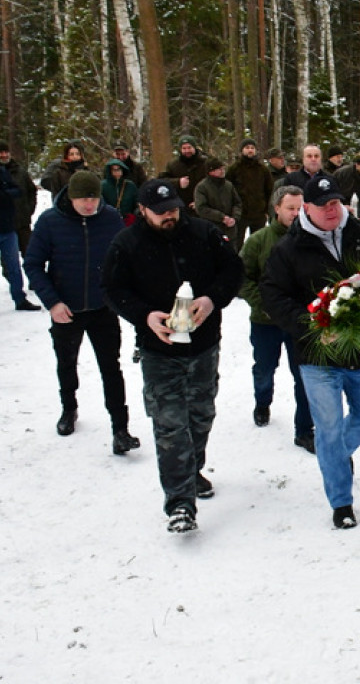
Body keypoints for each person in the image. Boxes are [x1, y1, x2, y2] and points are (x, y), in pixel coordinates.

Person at [102, 178, 244, 534]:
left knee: (200, 415)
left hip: (204, 344)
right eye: (161, 212)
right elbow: (112, 289)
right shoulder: (127, 243)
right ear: (143, 211)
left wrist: (211, 299)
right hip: (159, 349)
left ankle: (191, 470)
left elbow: (233, 271)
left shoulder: (204, 234)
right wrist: (144, 315)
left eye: (174, 210)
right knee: (169, 425)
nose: (169, 216)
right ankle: (180, 503)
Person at [261, 175, 360, 530]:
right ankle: (341, 501)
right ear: (306, 208)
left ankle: (336, 455)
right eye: (323, 205)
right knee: (329, 428)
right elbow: (273, 297)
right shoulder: (288, 249)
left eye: (335, 202)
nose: (331, 209)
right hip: (317, 357)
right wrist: (309, 325)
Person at [23, 170, 140, 452]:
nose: (89, 204)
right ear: (71, 197)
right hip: (66, 309)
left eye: (94, 198)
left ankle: (120, 429)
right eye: (83, 199)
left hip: (102, 308)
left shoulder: (110, 217)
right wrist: (52, 302)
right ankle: (69, 408)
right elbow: (33, 265)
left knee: (111, 367)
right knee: (66, 363)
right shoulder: (50, 222)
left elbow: (124, 257)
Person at [239, 185, 315, 452]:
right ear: (276, 208)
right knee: (264, 368)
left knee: (305, 376)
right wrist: (264, 304)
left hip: (301, 323)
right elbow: (241, 277)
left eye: (300, 208)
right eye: (290, 208)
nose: (296, 213)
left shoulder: (313, 239)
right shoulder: (258, 241)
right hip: (265, 321)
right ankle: (263, 402)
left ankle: (305, 430)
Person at [0, 144, 40, 317]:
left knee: (14, 266)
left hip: (8, 226)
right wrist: (4, 194)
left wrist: (5, 194)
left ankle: (20, 298)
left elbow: (18, 191)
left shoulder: (3, 172)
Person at [227, 138, 273, 250]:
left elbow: (269, 190)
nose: (250, 150)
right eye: (247, 148)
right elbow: (227, 189)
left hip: (259, 212)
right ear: (242, 150)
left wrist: (267, 210)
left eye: (252, 148)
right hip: (240, 213)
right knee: (237, 243)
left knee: (258, 244)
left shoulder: (263, 169)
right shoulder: (234, 168)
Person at [0, 141, 37, 255]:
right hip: (1, 226)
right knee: (8, 262)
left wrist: (28, 209)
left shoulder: (20, 171)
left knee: (31, 255)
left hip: (22, 223)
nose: (4, 155)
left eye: (6, 152)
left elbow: (31, 190)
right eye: (0, 152)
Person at [194, 157, 242, 241]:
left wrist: (235, 217)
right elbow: (201, 208)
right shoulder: (202, 187)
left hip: (230, 231)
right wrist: (221, 217)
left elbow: (237, 203)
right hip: (211, 229)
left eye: (223, 168)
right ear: (211, 171)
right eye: (219, 169)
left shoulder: (229, 185)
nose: (222, 171)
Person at [163, 135, 209, 212]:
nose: (187, 151)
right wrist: (178, 182)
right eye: (184, 148)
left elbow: (214, 184)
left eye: (189, 147)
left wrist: (200, 202)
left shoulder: (206, 163)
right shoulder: (173, 164)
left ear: (194, 147)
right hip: (181, 208)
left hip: (203, 208)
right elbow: (162, 181)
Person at [101, 158, 139, 224]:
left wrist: (134, 216)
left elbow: (136, 204)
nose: (117, 172)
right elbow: (101, 205)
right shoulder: (103, 186)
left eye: (119, 169)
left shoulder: (130, 185)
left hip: (127, 221)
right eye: (114, 170)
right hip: (109, 221)